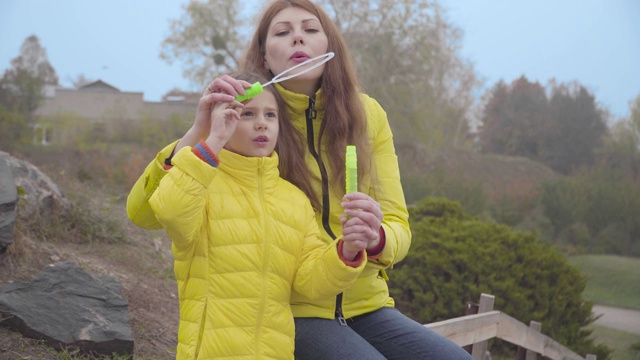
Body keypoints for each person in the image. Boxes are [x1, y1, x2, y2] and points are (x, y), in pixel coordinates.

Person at [127, 0, 473, 359]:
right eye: (282, 32)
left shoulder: (368, 115)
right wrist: (198, 132)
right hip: (292, 310)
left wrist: (375, 238)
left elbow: (399, 225)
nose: (298, 39)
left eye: (310, 30)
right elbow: (145, 213)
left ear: (330, 47)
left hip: (367, 303)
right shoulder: (248, 121)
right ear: (263, 55)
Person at [146, 71, 368, 359]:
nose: (261, 123)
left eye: (270, 115)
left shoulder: (294, 200)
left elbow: (310, 282)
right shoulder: (200, 181)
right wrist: (212, 139)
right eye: (247, 113)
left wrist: (347, 250)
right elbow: (170, 210)